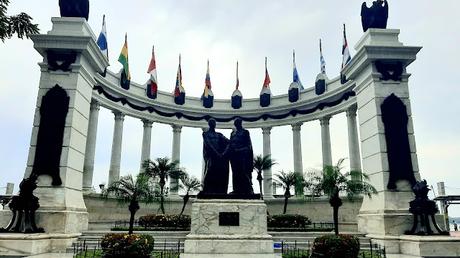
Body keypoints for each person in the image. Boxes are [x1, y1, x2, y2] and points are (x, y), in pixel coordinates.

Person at [200, 119, 230, 195]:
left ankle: (219, 191)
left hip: (220, 157)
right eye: (212, 123)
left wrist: (224, 153)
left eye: (214, 123)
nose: (214, 124)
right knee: (209, 173)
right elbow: (208, 144)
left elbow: (229, 142)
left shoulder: (219, 135)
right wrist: (217, 154)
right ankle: (207, 189)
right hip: (211, 157)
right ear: (209, 124)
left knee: (220, 174)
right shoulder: (205, 134)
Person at [225, 118, 254, 195]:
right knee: (235, 173)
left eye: (237, 123)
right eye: (235, 123)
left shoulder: (245, 132)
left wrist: (239, 150)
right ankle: (236, 190)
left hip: (242, 155)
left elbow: (248, 146)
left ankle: (248, 189)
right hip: (233, 156)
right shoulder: (232, 134)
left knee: (244, 172)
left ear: (240, 123)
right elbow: (230, 144)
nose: (236, 124)